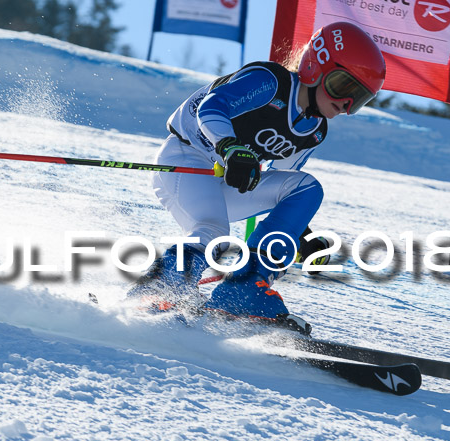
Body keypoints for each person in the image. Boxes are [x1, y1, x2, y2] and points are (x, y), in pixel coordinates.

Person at [129, 22, 386, 335]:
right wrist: (231, 147)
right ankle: (160, 288)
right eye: (343, 87)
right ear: (316, 65)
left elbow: (281, 184)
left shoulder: (313, 131)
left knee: (305, 188)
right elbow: (212, 106)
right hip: (188, 159)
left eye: (358, 99)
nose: (346, 105)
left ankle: (243, 289)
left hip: (232, 179)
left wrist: (300, 234)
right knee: (213, 232)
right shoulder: (271, 83)